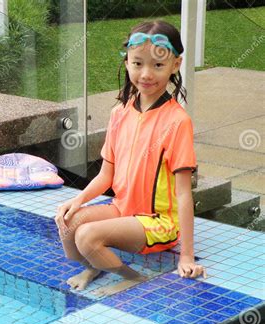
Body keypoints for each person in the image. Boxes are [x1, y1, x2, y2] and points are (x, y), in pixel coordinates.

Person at [55, 20, 207, 296]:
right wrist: (76, 201)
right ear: (127, 63)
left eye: (158, 65)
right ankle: (96, 265)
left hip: (158, 222)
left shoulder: (177, 122)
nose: (146, 74)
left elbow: (184, 194)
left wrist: (187, 255)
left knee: (87, 235)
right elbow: (106, 175)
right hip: (123, 208)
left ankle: (134, 278)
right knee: (68, 223)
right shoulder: (120, 114)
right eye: (138, 64)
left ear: (175, 65)